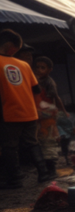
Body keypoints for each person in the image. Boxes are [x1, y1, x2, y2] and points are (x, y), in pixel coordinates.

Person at [0, 29, 56, 187]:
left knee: (9, 146)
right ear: (11, 46)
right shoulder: (24, 65)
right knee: (32, 143)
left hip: (9, 112)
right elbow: (36, 90)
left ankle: (16, 179)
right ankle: (43, 174)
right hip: (30, 112)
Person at [33, 56, 65, 176]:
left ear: (49, 70)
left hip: (46, 115)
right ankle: (44, 169)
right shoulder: (33, 79)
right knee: (39, 142)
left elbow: (55, 99)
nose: (39, 70)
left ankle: (51, 169)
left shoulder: (49, 82)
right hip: (36, 115)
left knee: (48, 141)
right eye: (37, 67)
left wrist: (62, 112)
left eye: (43, 68)